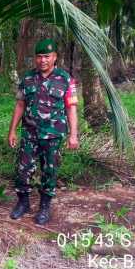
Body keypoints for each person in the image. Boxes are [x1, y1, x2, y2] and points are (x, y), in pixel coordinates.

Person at [7, 38, 79, 225]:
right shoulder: (27, 78)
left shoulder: (65, 79)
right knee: (23, 171)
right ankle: (23, 203)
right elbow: (20, 104)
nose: (43, 60)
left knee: (50, 171)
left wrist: (73, 135)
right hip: (30, 134)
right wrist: (12, 131)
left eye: (46, 56)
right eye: (39, 57)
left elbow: (71, 108)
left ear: (55, 57)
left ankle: (44, 207)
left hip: (53, 136)